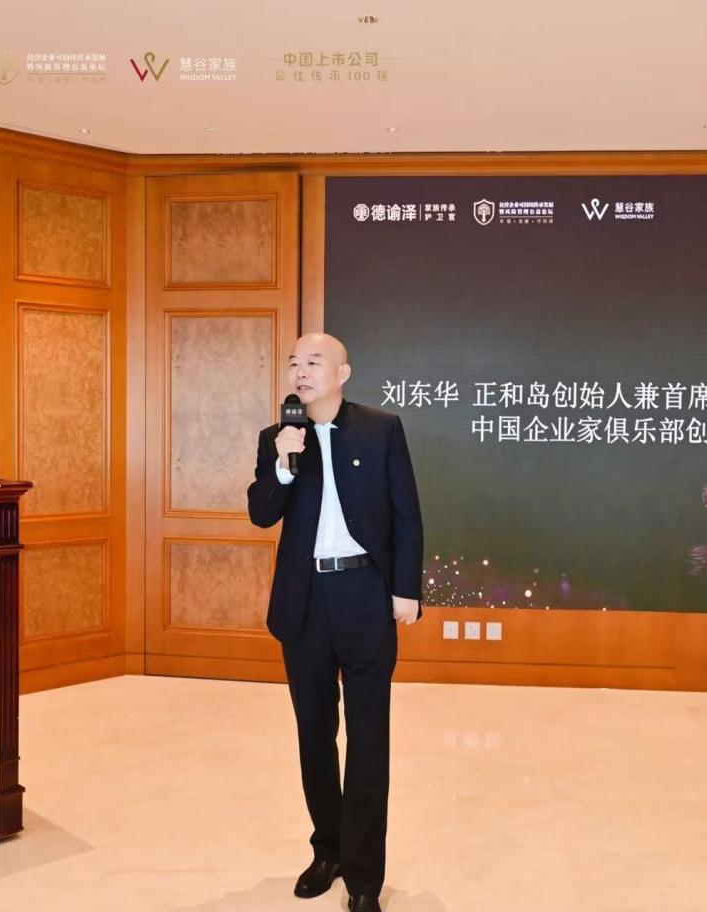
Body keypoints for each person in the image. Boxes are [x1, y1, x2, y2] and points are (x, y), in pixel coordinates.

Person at [247, 332, 424, 912]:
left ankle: (364, 877)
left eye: (314, 362)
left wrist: (405, 590)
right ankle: (328, 850)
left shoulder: (381, 429)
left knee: (369, 738)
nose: (301, 371)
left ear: (342, 373)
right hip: (305, 603)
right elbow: (261, 513)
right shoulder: (278, 438)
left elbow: (406, 515)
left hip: (365, 595)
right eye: (294, 362)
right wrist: (283, 464)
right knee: (314, 734)